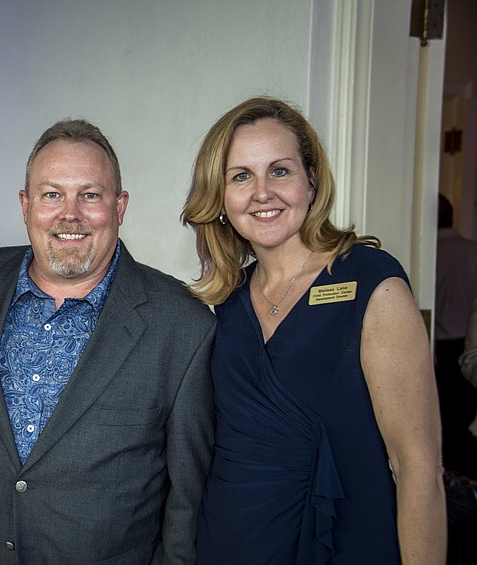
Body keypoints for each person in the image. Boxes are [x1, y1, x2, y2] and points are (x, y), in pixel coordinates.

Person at [181, 97, 446, 564]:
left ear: (312, 181)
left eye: (279, 171)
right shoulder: (225, 304)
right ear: (220, 197)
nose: (262, 192)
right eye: (240, 176)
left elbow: (417, 467)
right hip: (229, 545)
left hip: (346, 544)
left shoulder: (372, 283)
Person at [0, 119, 215, 563]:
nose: (70, 214)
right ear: (26, 204)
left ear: (120, 206)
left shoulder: (181, 326)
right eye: (52, 195)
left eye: (90, 195)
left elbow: (189, 501)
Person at [436, 193, 477, 478]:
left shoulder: (431, 251)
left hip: (443, 347)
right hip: (460, 347)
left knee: (445, 423)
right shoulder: (471, 251)